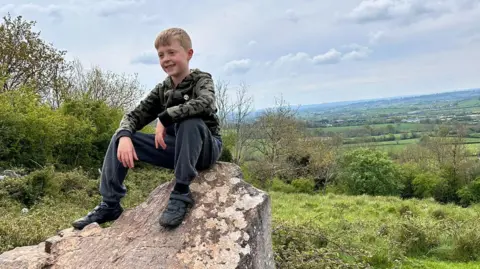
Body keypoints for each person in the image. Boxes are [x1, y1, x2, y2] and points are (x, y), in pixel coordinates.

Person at [72, 27, 222, 230]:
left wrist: (167, 116)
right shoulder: (163, 89)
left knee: (190, 121)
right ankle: (110, 204)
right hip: (176, 150)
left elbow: (206, 102)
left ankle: (181, 193)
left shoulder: (202, 79)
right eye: (161, 55)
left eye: (171, 52)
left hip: (205, 149)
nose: (166, 59)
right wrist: (125, 136)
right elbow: (133, 116)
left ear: (189, 54)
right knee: (120, 136)